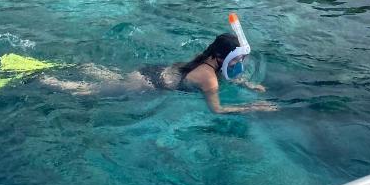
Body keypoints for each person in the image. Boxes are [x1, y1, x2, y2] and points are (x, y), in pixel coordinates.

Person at [41, 33, 277, 115]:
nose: (239, 63)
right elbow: (217, 110)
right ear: (220, 58)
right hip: (147, 85)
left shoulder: (206, 59)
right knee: (89, 92)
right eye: (236, 59)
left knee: (109, 77)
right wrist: (251, 107)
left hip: (151, 72)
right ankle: (45, 80)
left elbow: (231, 74)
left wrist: (248, 85)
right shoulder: (209, 79)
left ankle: (73, 66)